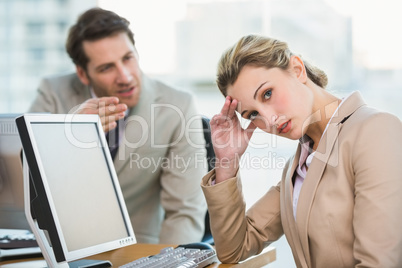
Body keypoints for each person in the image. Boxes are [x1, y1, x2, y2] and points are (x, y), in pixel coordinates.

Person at [201, 34, 402, 267]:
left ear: (297, 69)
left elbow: (379, 263)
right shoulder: (295, 169)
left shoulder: (374, 130)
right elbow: (233, 250)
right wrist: (227, 163)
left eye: (267, 93)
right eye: (252, 114)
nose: (270, 119)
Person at [28, 7, 208, 244]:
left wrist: (167, 261)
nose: (124, 76)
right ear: (83, 74)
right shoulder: (53, 93)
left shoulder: (178, 106)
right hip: (63, 246)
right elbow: (27, 177)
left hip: (139, 249)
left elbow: (185, 212)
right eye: (106, 68)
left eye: (127, 58)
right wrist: (71, 136)